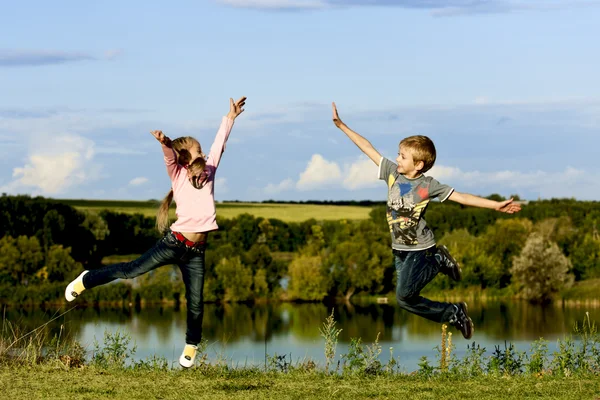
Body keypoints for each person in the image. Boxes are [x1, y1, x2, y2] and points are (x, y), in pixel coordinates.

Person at [65, 96, 247, 367]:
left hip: (196, 251)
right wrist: (165, 143)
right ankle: (87, 279)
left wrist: (229, 118)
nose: (204, 153)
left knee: (196, 301)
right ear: (186, 157)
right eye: (198, 151)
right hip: (174, 243)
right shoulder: (177, 173)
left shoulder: (209, 171)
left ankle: (191, 345)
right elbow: (170, 157)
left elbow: (220, 143)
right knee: (131, 270)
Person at [331, 102, 521, 339]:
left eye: (402, 156)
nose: (397, 159)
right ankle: (454, 312)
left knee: (402, 295)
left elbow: (461, 197)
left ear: (418, 164)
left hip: (420, 248)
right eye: (398, 154)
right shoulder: (392, 173)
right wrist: (342, 126)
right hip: (399, 249)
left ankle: (439, 261)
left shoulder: (428, 185)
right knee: (405, 300)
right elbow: (368, 148)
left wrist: (496, 205)